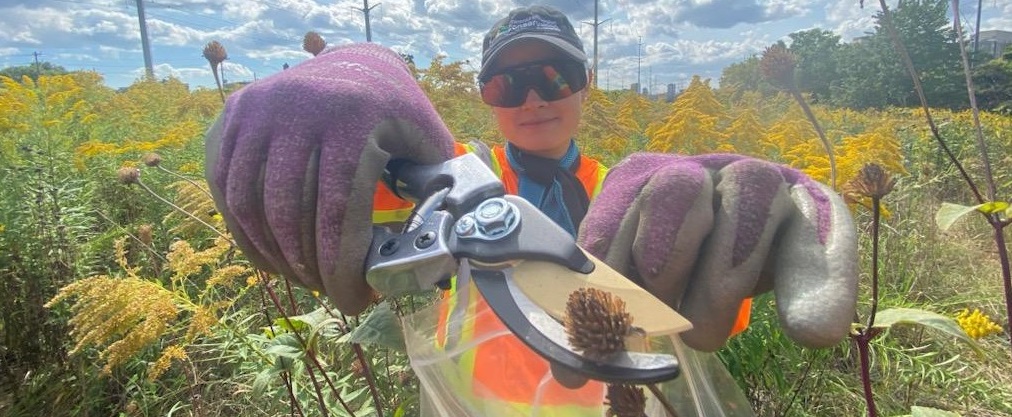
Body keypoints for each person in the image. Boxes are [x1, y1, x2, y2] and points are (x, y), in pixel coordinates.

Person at [205, 5, 859, 416]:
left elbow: (703, 310)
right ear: (485, 96)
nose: (531, 98)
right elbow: (348, 180)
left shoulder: (631, 193)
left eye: (552, 76)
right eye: (504, 82)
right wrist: (356, 67)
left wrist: (738, 236)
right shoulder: (452, 178)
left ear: (582, 84)